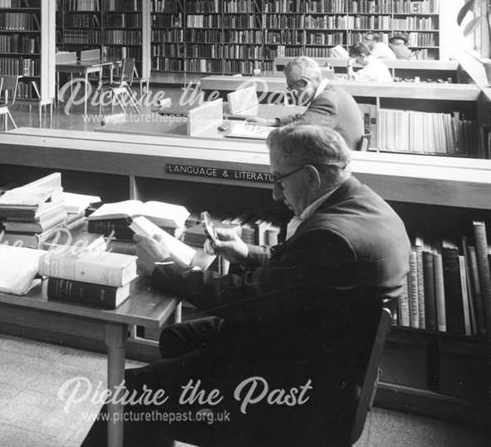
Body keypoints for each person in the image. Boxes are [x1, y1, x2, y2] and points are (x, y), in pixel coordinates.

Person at [80, 125, 410, 446]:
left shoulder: (332, 236)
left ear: (312, 175)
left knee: (134, 392)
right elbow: (300, 274)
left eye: (279, 180)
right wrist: (245, 252)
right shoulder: (361, 203)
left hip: (299, 391)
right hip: (316, 352)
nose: (275, 193)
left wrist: (164, 268)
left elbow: (247, 302)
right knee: (178, 336)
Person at [251, 56, 364, 149]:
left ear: (304, 83)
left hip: (338, 164)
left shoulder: (328, 99)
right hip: (339, 153)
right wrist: (270, 122)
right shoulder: (330, 91)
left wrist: (260, 133)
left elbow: (297, 131)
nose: (292, 93)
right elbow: (304, 118)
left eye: (291, 87)